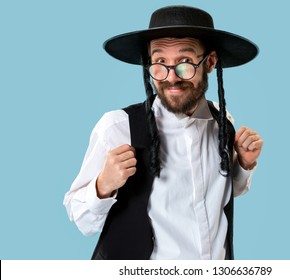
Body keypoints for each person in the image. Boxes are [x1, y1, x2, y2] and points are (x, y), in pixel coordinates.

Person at [64, 5, 264, 260]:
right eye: (160, 62)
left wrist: (244, 164)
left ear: (210, 62)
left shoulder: (223, 122)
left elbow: (226, 191)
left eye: (185, 62)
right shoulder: (118, 127)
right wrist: (104, 185)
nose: (171, 77)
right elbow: (82, 221)